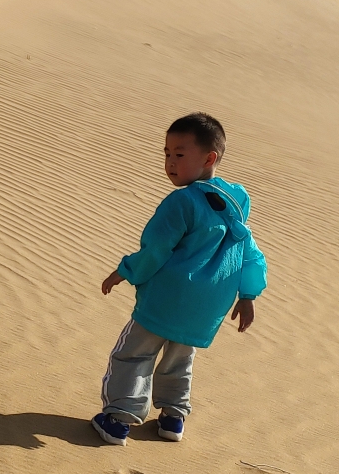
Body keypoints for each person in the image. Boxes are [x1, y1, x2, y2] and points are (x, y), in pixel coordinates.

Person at [91, 112, 266, 447]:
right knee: (179, 359)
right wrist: (248, 294)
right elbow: (250, 253)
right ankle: (173, 418)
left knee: (133, 355)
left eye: (180, 154)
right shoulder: (236, 202)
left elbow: (156, 249)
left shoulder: (181, 201)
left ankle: (118, 420)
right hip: (207, 307)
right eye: (167, 154)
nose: (170, 162)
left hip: (167, 300)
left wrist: (125, 271)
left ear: (209, 158)